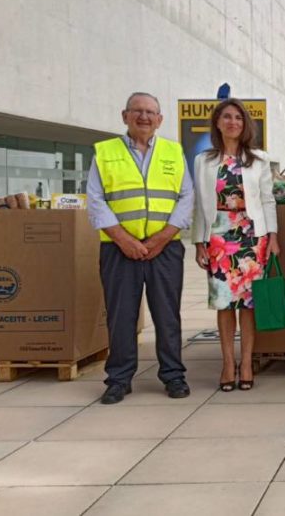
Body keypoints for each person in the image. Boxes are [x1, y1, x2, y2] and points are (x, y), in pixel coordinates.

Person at [87, 92, 193, 404]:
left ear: (160, 120)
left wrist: (162, 237)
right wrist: (124, 239)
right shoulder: (105, 153)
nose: (144, 117)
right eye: (138, 111)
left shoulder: (174, 152)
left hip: (165, 249)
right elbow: (95, 199)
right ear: (125, 116)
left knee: (167, 315)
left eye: (150, 112)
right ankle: (119, 379)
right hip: (120, 250)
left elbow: (186, 197)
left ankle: (173, 375)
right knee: (120, 316)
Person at [192, 98, 280, 392]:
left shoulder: (258, 159)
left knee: (250, 304)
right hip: (218, 237)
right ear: (218, 123)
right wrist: (198, 242)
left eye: (238, 118)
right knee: (224, 302)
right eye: (227, 117)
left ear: (245, 125)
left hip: (252, 237)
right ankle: (228, 363)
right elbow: (198, 204)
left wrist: (273, 237)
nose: (233, 122)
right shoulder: (203, 161)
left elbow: (268, 199)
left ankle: (246, 364)